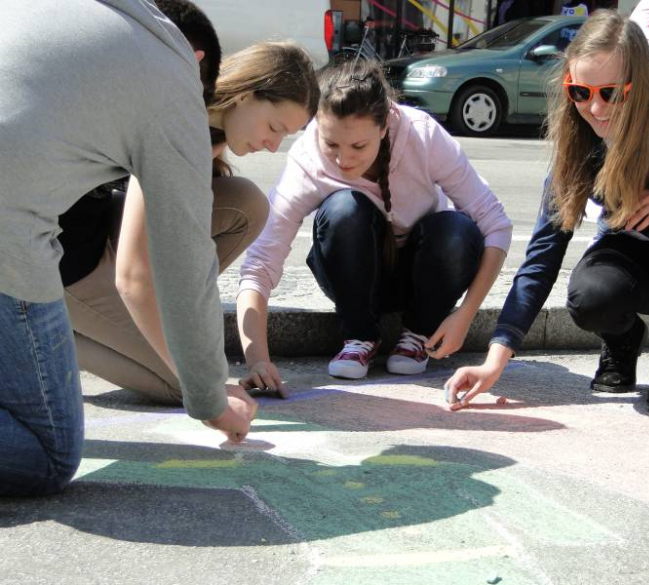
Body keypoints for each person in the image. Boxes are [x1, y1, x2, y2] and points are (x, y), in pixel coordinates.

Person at [446, 10, 649, 415]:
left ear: (642, 83)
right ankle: (623, 340)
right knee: (590, 298)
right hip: (634, 254)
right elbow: (542, 256)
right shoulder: (579, 140)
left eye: (611, 93)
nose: (594, 108)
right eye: (580, 91)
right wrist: (495, 359)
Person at [0, 0, 251, 497]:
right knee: (48, 454)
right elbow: (183, 258)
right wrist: (211, 399)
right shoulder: (172, 75)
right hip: (10, 233)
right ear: (196, 61)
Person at [59, 33, 319, 404]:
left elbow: (185, 247)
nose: (273, 146)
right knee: (185, 384)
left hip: (100, 224)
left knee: (246, 204)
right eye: (274, 128)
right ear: (245, 96)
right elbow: (132, 276)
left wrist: (251, 357)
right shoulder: (177, 121)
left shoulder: (210, 130)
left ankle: (121, 324)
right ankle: (45, 325)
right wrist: (201, 380)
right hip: (61, 258)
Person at [237, 60, 512, 389]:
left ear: (384, 127)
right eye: (331, 144)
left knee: (458, 230)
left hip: (423, 277)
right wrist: (258, 360)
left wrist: (465, 315)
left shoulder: (421, 134)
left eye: (358, 146)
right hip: (352, 277)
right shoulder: (306, 159)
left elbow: (496, 224)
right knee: (343, 209)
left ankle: (418, 335)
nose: (343, 160)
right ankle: (358, 336)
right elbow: (260, 264)